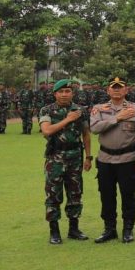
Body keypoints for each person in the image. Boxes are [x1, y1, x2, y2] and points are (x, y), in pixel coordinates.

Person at [89, 76, 135, 243]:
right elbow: (94, 128)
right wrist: (117, 117)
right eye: (113, 87)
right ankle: (109, 229)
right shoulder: (99, 109)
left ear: (126, 90)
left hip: (128, 158)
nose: (116, 89)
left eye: (120, 86)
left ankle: (128, 229)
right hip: (105, 159)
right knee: (106, 195)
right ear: (108, 90)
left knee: (128, 195)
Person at [39, 79, 93, 244]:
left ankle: (74, 229)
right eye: (61, 91)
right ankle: (54, 231)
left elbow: (86, 134)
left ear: (72, 93)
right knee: (53, 194)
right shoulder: (47, 110)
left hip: (75, 157)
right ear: (55, 93)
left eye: (67, 91)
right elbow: (46, 131)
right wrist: (68, 119)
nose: (64, 94)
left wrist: (89, 157)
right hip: (55, 157)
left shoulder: (80, 110)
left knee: (75, 193)